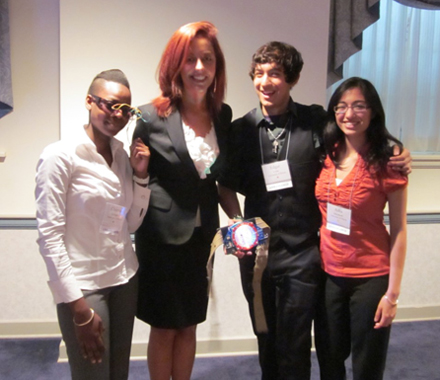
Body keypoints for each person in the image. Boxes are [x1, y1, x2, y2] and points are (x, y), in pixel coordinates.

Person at [218, 42, 411, 380]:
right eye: (259, 74)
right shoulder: (239, 131)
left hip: (304, 255)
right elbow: (223, 185)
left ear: (291, 79)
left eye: (275, 73)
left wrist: (398, 151)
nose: (266, 81)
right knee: (265, 337)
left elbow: (358, 139)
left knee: (295, 345)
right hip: (256, 255)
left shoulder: (315, 121)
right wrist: (238, 228)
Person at [35, 69, 151, 380]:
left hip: (125, 278)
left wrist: (140, 176)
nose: (117, 114)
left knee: (118, 374)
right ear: (89, 101)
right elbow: (49, 237)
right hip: (86, 287)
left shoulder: (121, 155)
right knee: (92, 374)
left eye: (125, 109)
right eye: (109, 104)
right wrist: (78, 308)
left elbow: (131, 224)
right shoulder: (59, 156)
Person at [132, 21, 232, 380]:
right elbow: (138, 176)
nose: (199, 69)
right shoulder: (148, 115)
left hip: (202, 238)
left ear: (217, 66)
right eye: (190, 59)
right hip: (160, 238)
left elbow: (220, 180)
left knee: (190, 323)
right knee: (163, 326)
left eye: (207, 59)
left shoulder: (224, 115)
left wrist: (235, 220)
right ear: (176, 64)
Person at [315, 77, 407, 380]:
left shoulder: (388, 161)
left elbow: (400, 231)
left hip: (371, 278)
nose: (349, 114)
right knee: (329, 359)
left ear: (373, 112)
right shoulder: (327, 153)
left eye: (358, 106)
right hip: (329, 275)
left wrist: (392, 295)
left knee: (367, 365)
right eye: (341, 107)